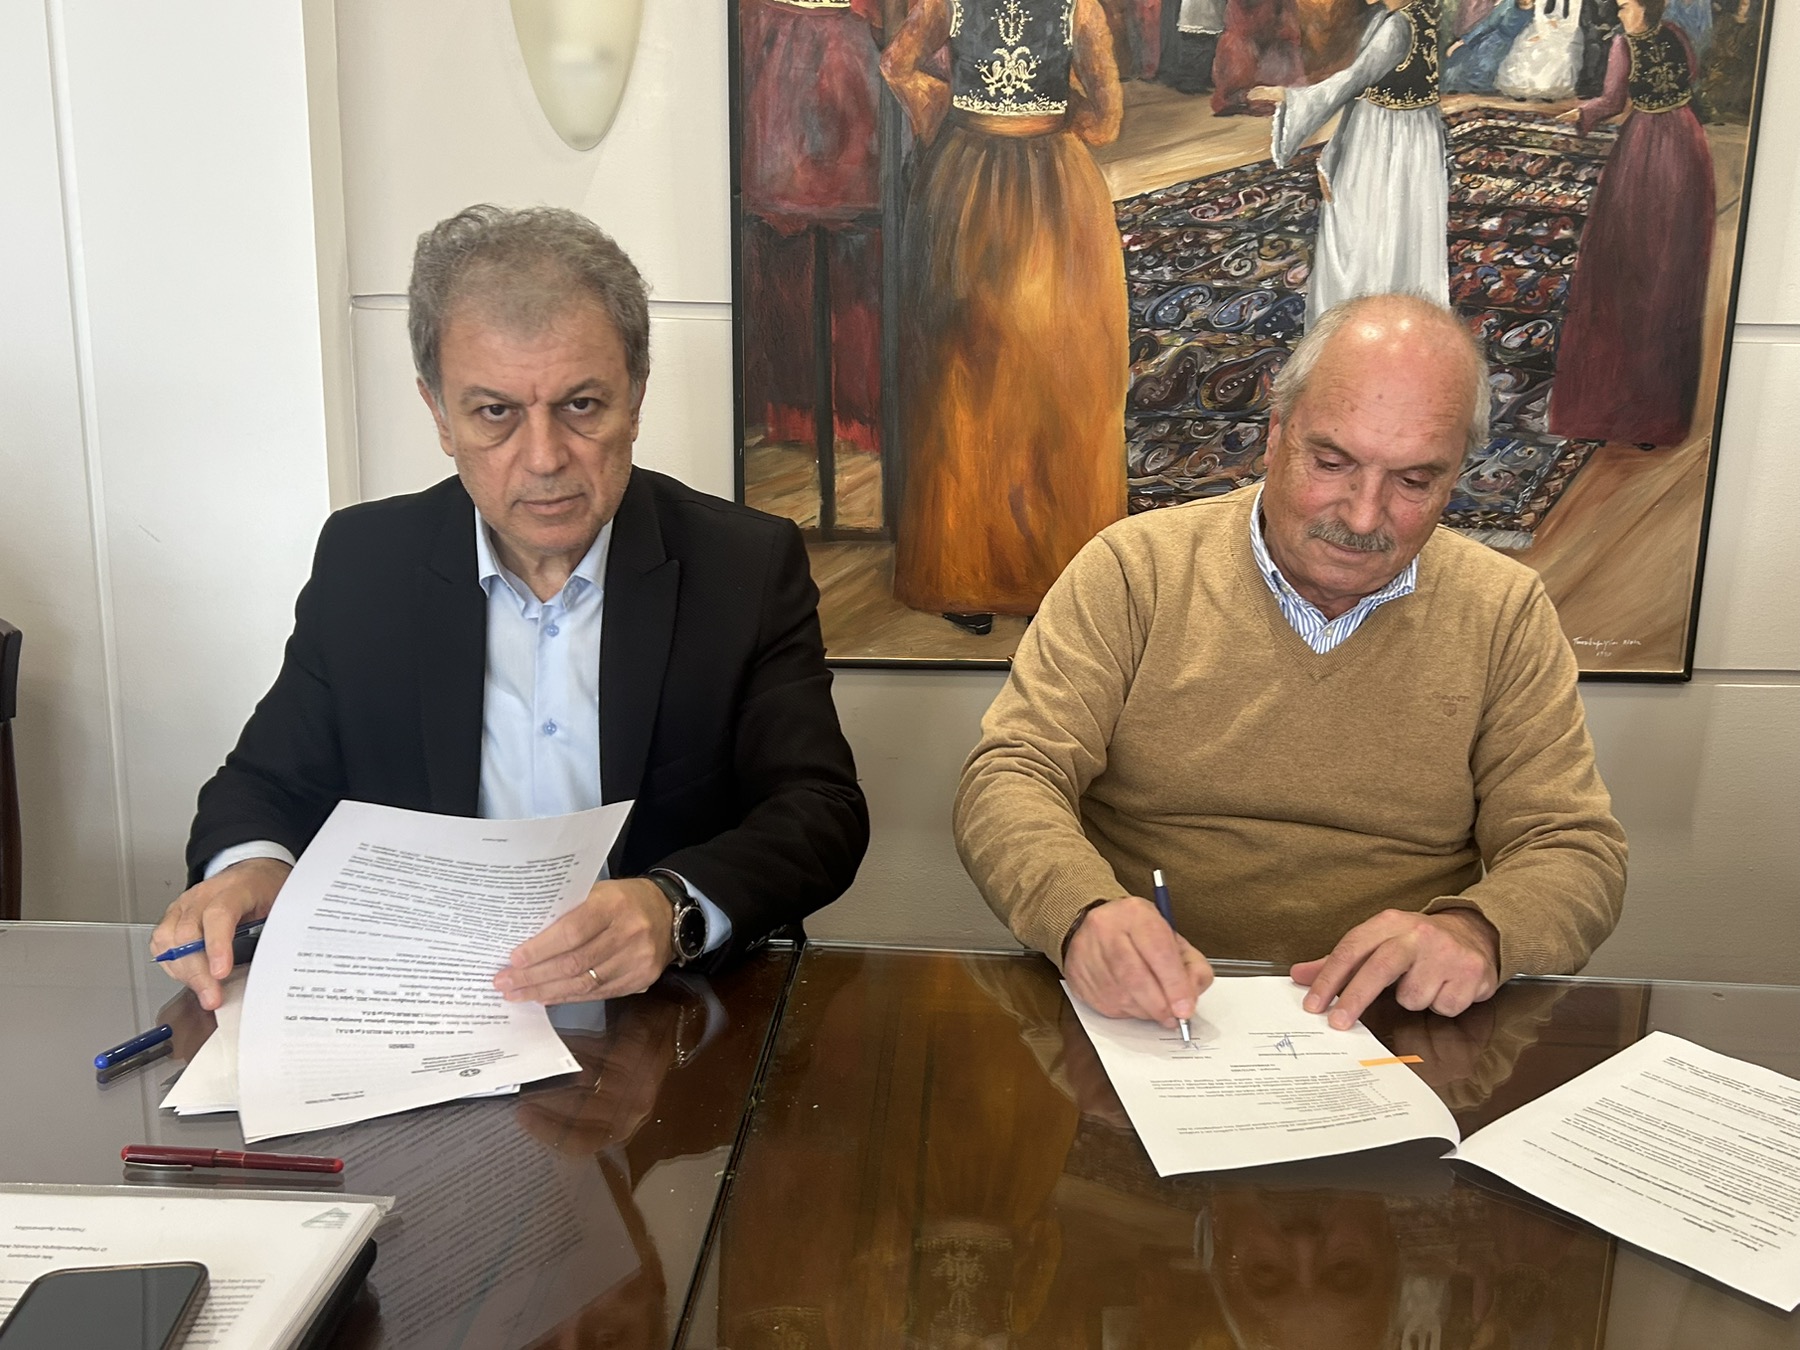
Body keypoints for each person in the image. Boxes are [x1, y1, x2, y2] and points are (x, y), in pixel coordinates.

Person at [153, 205, 869, 1011]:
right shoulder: (366, 564)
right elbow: (264, 784)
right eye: (495, 413)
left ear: (635, 398)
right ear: (439, 415)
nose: (544, 457)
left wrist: (672, 908)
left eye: (582, 405)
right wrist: (252, 867)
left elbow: (820, 812)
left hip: (668, 1014)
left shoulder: (742, 565)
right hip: (428, 1008)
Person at [954, 293, 1626, 1033]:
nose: (1363, 515)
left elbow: (1572, 848)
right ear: (1276, 436)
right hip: (1149, 1014)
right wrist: (1083, 913)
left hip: (1392, 1023)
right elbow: (1012, 775)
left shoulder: (1503, 610)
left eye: (1413, 482)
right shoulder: (1135, 570)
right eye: (1332, 463)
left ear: (1455, 476)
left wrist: (1479, 932)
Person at [880, 0, 1129, 630]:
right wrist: (1061, 108)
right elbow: (1106, 123)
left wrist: (946, 109)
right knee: (1060, 380)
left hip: (963, 185)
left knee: (964, 380)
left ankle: (965, 577)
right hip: (1054, 194)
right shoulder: (1080, 9)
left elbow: (896, 65)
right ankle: (1056, 574)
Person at [1547, 0, 1713, 448]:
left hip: (1646, 150)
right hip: (1687, 144)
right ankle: (1658, 414)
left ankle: (1614, 411)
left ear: (1642, 8)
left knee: (1626, 267)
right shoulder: (1676, 35)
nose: (1619, 13)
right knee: (1670, 270)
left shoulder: (1624, 46)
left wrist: (1581, 114)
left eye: (1624, 6)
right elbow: (1691, 75)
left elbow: (1612, 101)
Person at [1254, 0, 1450, 328]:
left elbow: (1353, 80)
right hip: (1418, 134)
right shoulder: (1423, 12)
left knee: (1365, 218)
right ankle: (1400, 307)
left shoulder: (1396, 27)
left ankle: (1359, 311)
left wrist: (1289, 97)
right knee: (1403, 221)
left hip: (1385, 137)